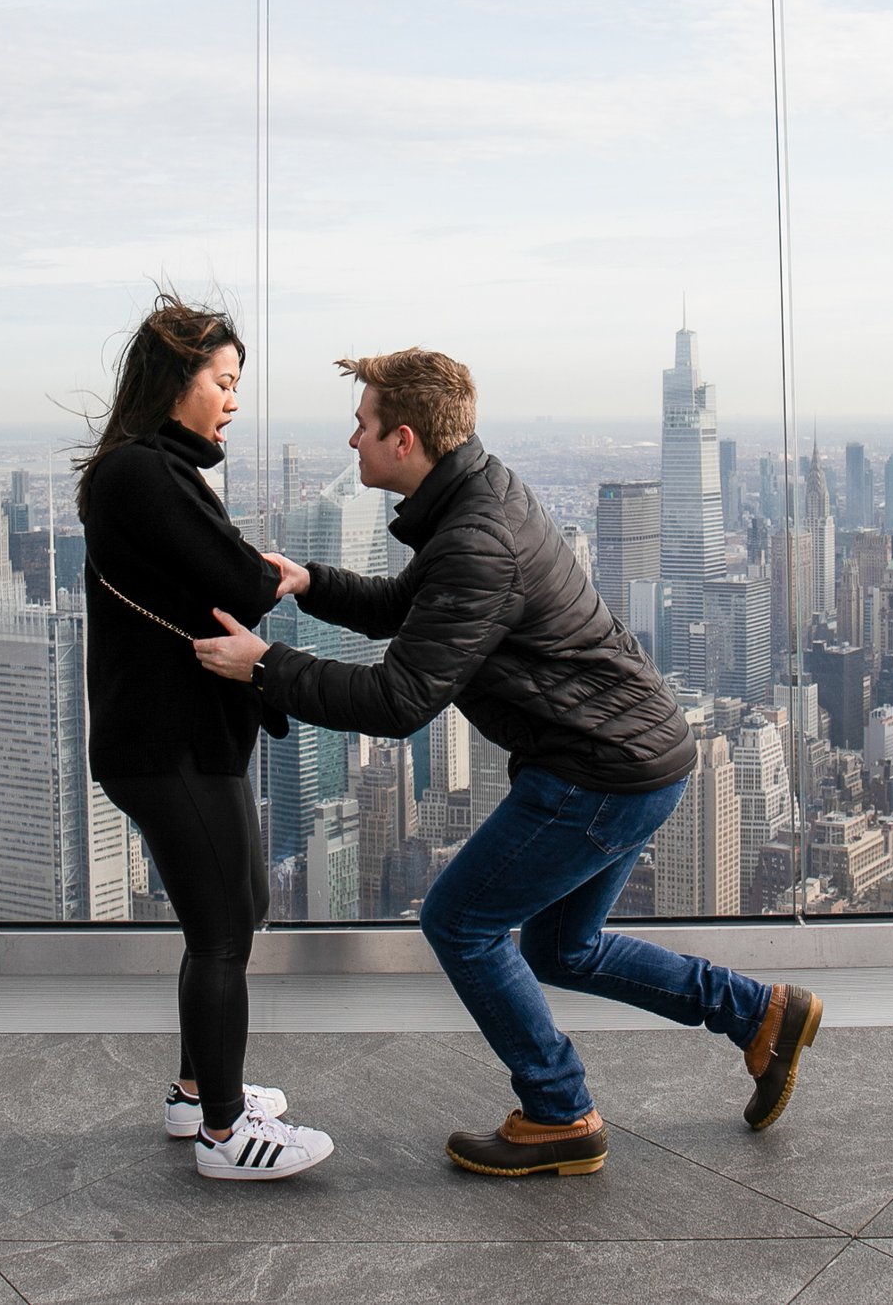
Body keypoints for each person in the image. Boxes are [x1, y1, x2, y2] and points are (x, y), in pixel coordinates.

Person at [194, 348, 819, 1178]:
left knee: (461, 921)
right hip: (629, 756)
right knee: (562, 949)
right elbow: (411, 610)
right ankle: (762, 1015)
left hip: (596, 769)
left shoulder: (475, 537)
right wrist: (310, 583)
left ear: (406, 440)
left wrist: (265, 667)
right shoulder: (474, 501)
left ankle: (561, 1111)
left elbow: (400, 698)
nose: (352, 440)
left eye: (364, 424)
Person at [77, 295, 333, 1182]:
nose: (231, 401)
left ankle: (198, 1093)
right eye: (222, 382)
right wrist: (251, 569)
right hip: (167, 741)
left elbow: (221, 579)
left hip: (173, 736)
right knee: (226, 924)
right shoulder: (144, 473)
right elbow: (236, 581)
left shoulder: (156, 471)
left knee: (234, 910)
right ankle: (227, 1133)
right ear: (174, 379)